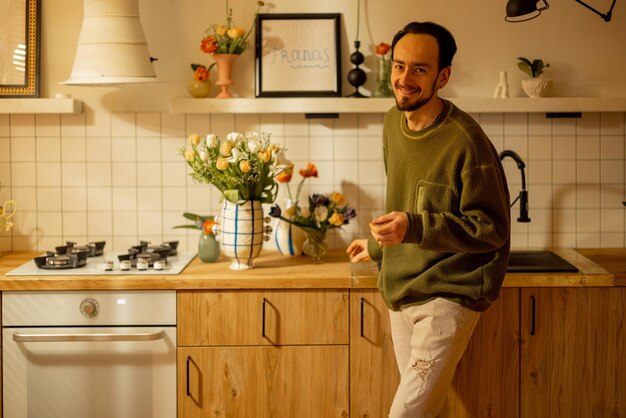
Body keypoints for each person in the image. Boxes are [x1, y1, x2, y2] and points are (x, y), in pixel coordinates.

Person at [347, 21, 510, 418]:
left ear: (443, 76)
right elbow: (406, 204)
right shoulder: (392, 122)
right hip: (401, 290)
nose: (404, 79)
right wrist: (376, 244)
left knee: (405, 414)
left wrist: (415, 226)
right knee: (425, 412)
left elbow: (491, 228)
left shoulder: (466, 142)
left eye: (419, 69)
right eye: (399, 66)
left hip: (449, 294)